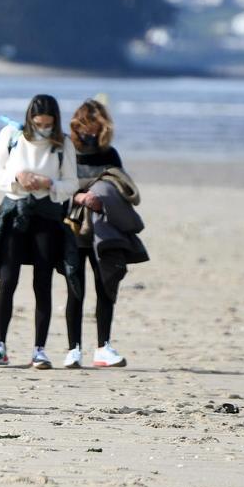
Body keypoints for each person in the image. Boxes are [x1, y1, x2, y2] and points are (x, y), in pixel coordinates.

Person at [0, 94, 77, 370]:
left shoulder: (63, 143)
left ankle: (40, 349)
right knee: (8, 278)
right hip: (15, 211)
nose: (43, 128)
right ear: (29, 119)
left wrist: (49, 183)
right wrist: (17, 178)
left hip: (47, 215)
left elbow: (71, 183)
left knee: (43, 281)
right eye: (38, 123)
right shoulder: (11, 135)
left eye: (48, 124)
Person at [64, 98, 147, 368]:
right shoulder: (65, 151)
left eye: (97, 128)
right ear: (77, 125)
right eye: (87, 126)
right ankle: (73, 349)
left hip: (103, 231)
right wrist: (79, 198)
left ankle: (103, 347)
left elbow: (122, 189)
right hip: (73, 229)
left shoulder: (110, 154)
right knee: (75, 289)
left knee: (105, 286)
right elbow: (57, 188)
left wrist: (102, 197)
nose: (91, 132)